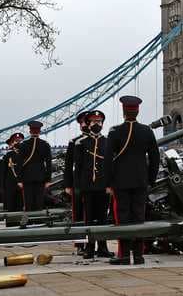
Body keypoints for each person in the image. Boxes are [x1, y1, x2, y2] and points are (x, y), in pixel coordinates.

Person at [104, 96, 160, 265]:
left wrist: (108, 183)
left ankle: (123, 256)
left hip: (121, 182)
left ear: (123, 111)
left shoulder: (115, 132)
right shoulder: (147, 131)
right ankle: (138, 255)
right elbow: (155, 157)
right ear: (137, 111)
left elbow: (107, 159)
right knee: (139, 217)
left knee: (123, 218)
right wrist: (151, 179)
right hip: (141, 181)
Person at [75, 109, 113, 259]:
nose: (96, 124)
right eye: (93, 122)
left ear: (102, 124)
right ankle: (89, 249)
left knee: (103, 218)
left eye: (99, 122)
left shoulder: (108, 142)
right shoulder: (81, 143)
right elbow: (77, 167)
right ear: (88, 124)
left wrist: (110, 185)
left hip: (103, 186)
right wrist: (78, 187)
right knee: (89, 218)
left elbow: (111, 165)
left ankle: (103, 247)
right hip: (88, 187)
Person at [64, 111, 89, 254]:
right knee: (78, 214)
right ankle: (80, 245)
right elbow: (68, 165)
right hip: (78, 184)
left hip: (95, 184)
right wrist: (68, 185)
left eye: (85, 122)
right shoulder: (74, 142)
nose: (83, 125)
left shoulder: (101, 140)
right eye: (81, 123)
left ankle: (97, 244)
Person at [16, 121, 52, 211]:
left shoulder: (23, 145)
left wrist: (19, 179)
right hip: (41, 176)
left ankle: (30, 222)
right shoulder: (45, 144)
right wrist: (48, 179)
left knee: (28, 202)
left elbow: (19, 163)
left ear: (30, 131)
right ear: (39, 131)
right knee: (39, 202)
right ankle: (39, 222)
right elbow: (48, 163)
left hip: (27, 176)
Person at [1, 132, 24, 212]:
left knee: (22, 206)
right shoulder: (8, 155)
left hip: (23, 184)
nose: (18, 143)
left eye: (19, 141)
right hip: (11, 184)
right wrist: (2, 187)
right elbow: (3, 172)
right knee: (11, 207)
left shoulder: (26, 154)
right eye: (16, 141)